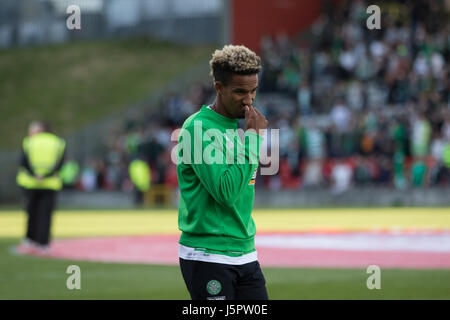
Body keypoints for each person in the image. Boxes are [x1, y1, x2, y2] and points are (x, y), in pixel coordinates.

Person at [176, 45, 269, 300]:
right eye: (240, 91)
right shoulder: (198, 128)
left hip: (246, 252)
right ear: (219, 88)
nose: (249, 99)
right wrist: (253, 139)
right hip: (208, 254)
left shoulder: (237, 129)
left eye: (253, 91)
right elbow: (226, 193)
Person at [16, 121, 66, 253]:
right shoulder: (58, 143)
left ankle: (29, 239)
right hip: (51, 183)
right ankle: (43, 243)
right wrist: (47, 175)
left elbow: (23, 162)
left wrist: (35, 175)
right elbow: (60, 164)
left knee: (31, 212)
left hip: (31, 183)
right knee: (46, 214)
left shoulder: (29, 142)